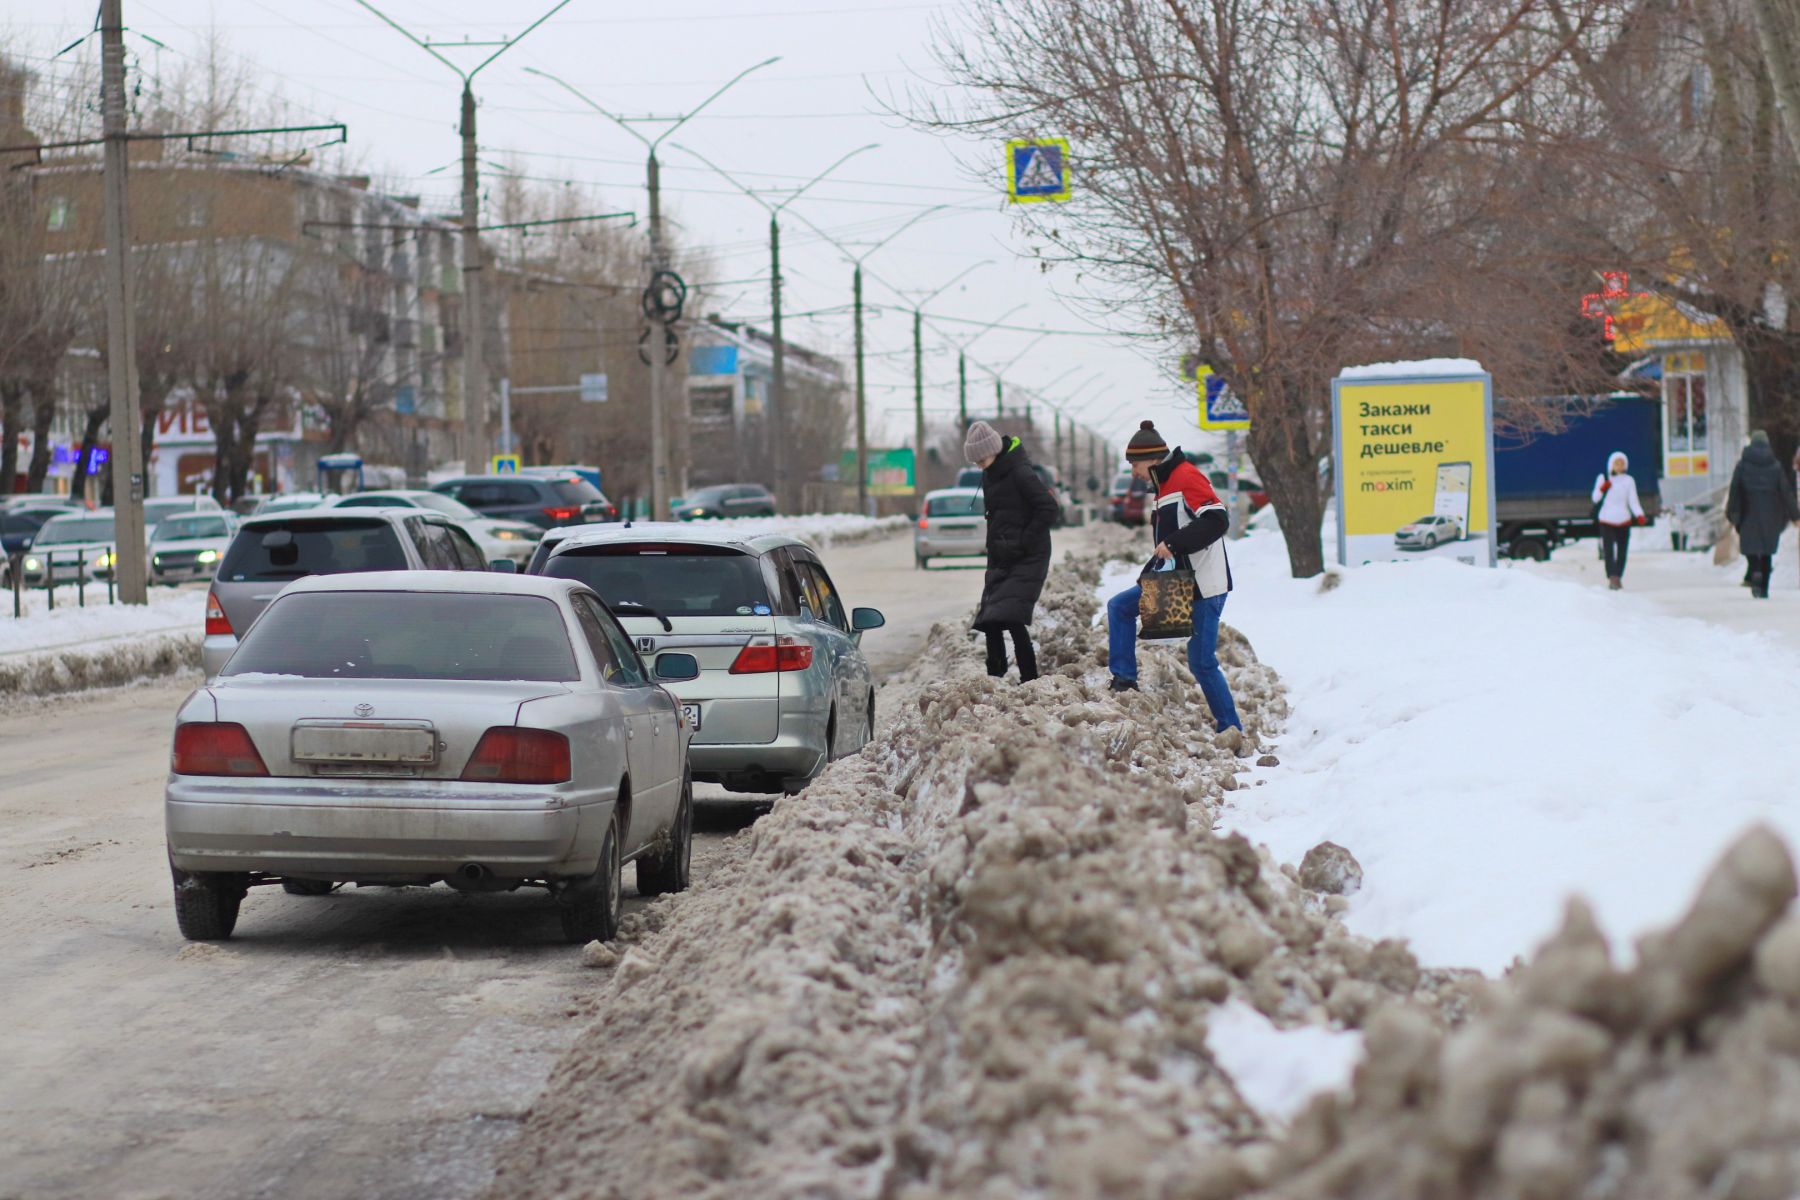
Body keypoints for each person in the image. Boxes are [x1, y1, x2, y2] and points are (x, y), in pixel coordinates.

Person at [1103, 420, 1242, 733]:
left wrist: (1174, 542)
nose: (1133, 473)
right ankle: (1124, 681)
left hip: (1205, 586)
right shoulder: (1164, 486)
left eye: (1134, 465)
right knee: (1120, 607)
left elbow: (1217, 520)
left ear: (1152, 460)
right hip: (1175, 584)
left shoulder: (1186, 477)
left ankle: (1231, 729)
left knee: (1202, 662)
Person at [965, 420, 1059, 682]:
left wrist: (1022, 542)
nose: (980, 464)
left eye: (982, 458)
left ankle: (1030, 679)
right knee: (989, 618)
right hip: (1001, 555)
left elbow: (1049, 509)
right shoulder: (990, 474)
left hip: (1029, 554)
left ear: (993, 450)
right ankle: (995, 677)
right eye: (976, 461)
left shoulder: (1020, 472)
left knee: (1012, 616)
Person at [1727, 430, 1800, 599]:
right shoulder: (1775, 466)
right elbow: (1785, 492)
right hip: (1771, 515)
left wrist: (1733, 514)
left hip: (1747, 514)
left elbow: (1734, 490)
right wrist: (1795, 516)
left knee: (1751, 549)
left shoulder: (1742, 465)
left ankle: (1755, 573)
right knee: (1767, 551)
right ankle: (1764, 588)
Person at [1592, 450, 1646, 590]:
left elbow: (1633, 501)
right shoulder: (1603, 478)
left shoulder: (1629, 481)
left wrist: (1639, 514)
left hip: (1623, 520)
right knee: (1609, 551)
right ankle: (1612, 577)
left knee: (1622, 551)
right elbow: (1595, 498)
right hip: (1606, 519)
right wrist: (1603, 488)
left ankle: (1618, 576)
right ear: (1611, 465)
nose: (1619, 465)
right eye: (1617, 463)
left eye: (1622, 463)